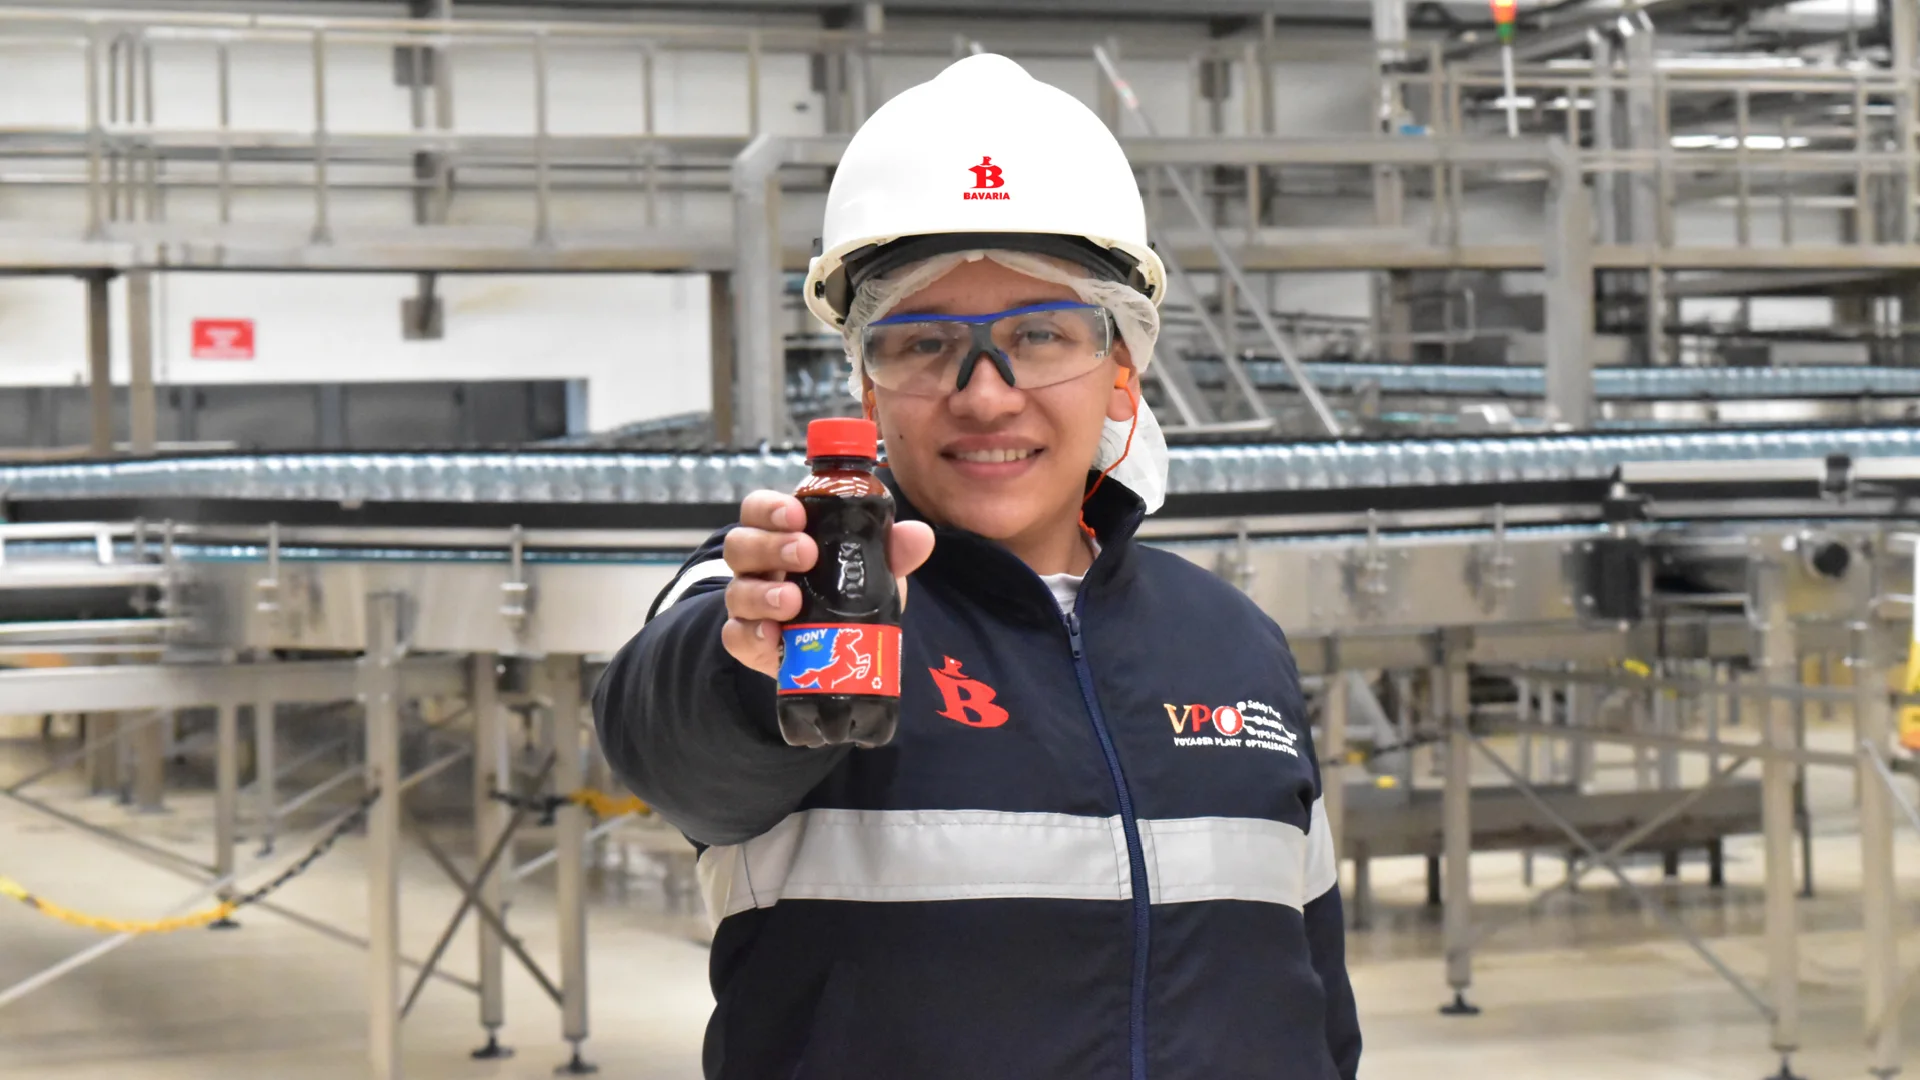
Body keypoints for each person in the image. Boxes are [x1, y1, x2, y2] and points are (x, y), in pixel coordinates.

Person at [594, 53, 1360, 1080]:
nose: (986, 395)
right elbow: (678, 747)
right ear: (867, 389)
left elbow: (1314, 1001)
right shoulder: (811, 606)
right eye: (922, 343)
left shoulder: (1232, 642)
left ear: (1122, 373)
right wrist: (755, 663)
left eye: (1039, 336)